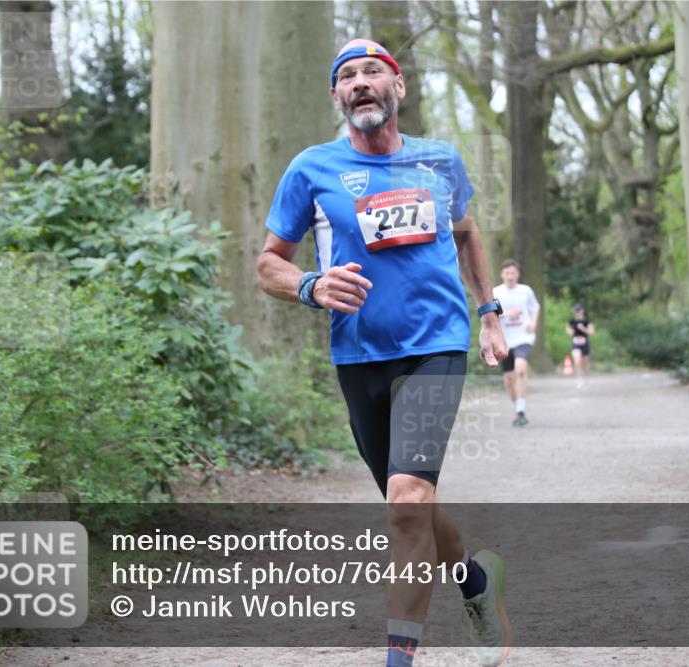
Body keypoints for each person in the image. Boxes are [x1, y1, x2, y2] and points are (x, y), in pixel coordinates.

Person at [255, 38, 511, 667]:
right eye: (347, 76)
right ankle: (475, 584)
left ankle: (400, 659)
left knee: (406, 503)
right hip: (359, 354)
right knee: (412, 506)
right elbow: (267, 265)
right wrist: (311, 286)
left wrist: (489, 316)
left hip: (436, 344)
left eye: (374, 72)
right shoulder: (311, 168)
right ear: (337, 97)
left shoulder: (440, 161)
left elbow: (468, 232)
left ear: (398, 88)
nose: (361, 82)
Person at [492, 259, 539, 427]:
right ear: (502, 275)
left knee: (520, 368)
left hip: (523, 338)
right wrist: (506, 314)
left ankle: (520, 411)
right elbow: (492, 314)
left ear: (517, 274)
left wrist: (533, 322)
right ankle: (517, 406)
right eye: (507, 273)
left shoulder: (525, 291)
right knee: (508, 380)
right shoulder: (496, 292)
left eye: (513, 273)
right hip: (504, 340)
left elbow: (535, 307)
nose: (510, 276)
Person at [565, 303, 595, 389]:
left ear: (582, 311)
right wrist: (572, 330)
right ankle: (579, 380)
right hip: (575, 343)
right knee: (577, 361)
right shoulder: (571, 321)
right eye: (576, 310)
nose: (577, 312)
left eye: (579, 310)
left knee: (585, 364)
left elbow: (591, 332)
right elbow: (568, 331)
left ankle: (585, 377)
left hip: (585, 343)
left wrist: (583, 329)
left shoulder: (587, 321)